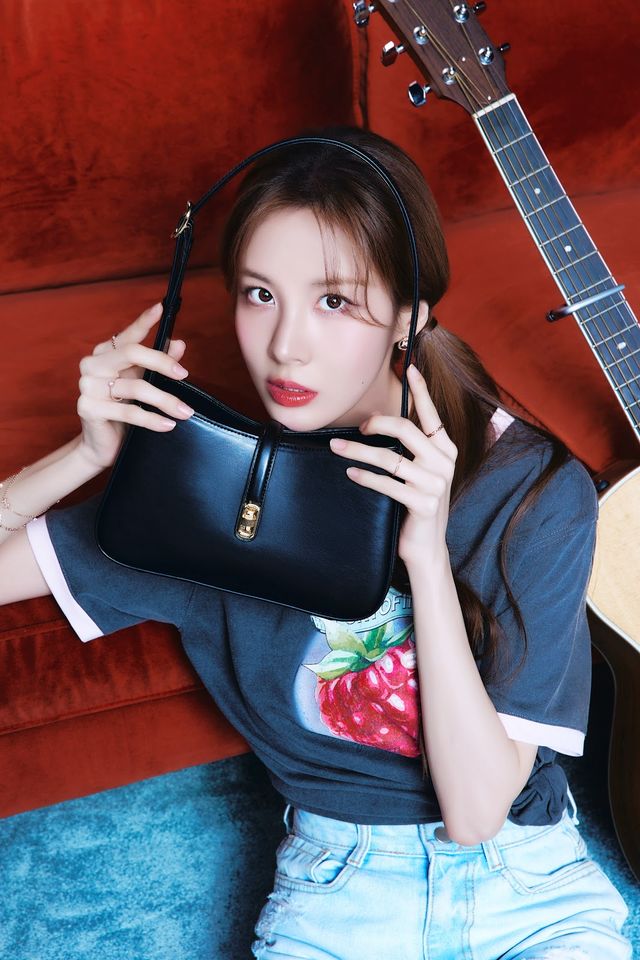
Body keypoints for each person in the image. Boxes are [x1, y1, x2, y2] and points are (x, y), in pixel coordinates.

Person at [0, 125, 632, 960]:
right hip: (339, 897)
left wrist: (425, 556)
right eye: (259, 294)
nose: (284, 346)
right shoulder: (213, 490)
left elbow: (478, 811)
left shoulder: (532, 490)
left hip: (530, 887)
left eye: (335, 301)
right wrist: (84, 456)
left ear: (408, 317)